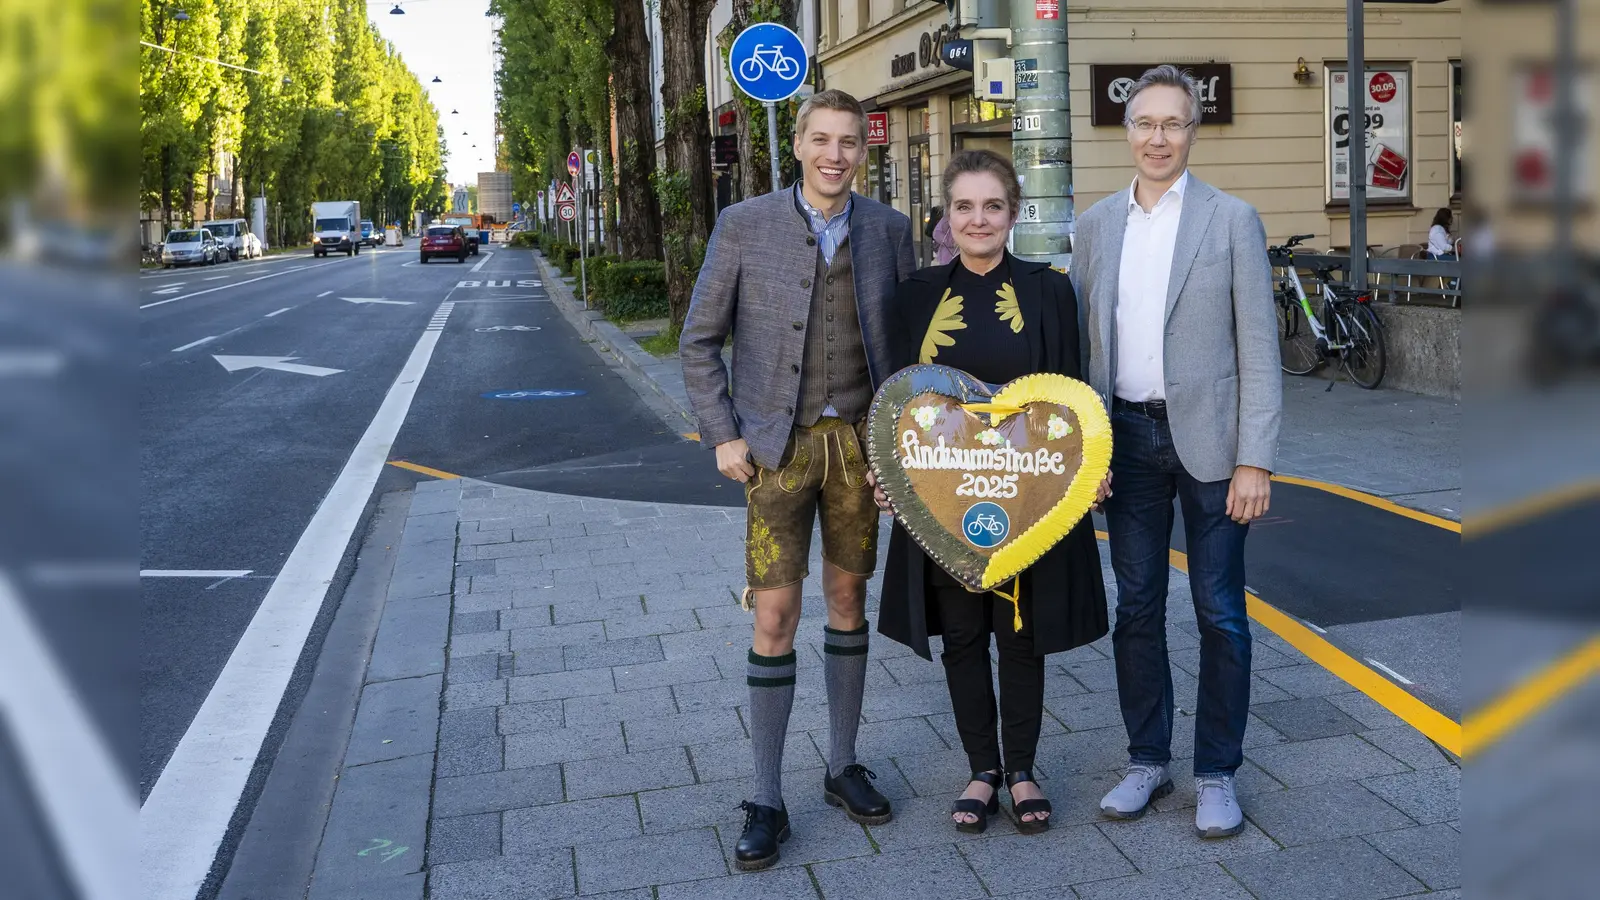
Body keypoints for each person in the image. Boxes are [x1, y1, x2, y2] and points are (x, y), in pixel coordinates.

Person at [679, 88, 917, 872]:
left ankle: (843, 764)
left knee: (848, 600)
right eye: (821, 139)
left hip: (859, 449)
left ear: (862, 151)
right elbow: (698, 341)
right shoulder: (743, 224)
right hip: (774, 454)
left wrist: (906, 445)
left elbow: (907, 348)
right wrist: (722, 434)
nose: (834, 155)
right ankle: (765, 797)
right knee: (775, 614)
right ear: (799, 144)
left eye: (849, 142)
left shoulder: (889, 231)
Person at [870, 149, 1111, 835]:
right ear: (947, 215)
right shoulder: (917, 295)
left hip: (1026, 495)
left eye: (993, 206)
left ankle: (1023, 768)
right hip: (943, 498)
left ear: (1013, 213)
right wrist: (886, 471)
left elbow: (1072, 393)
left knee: (1021, 631)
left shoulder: (1048, 291)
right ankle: (982, 769)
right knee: (964, 633)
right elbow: (894, 398)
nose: (979, 219)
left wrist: (1091, 466)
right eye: (965, 206)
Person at [1070, 65, 1282, 838]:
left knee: (1220, 612)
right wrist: (1084, 452)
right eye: (1145, 123)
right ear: (1126, 131)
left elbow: (1259, 347)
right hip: (1123, 440)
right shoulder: (1096, 225)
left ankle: (1217, 772)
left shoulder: (1233, 220)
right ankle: (1147, 760)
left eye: (1173, 123)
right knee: (1137, 607)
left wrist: (1255, 458)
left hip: (1215, 444)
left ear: (1193, 131)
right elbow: (1083, 348)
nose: (1157, 137)